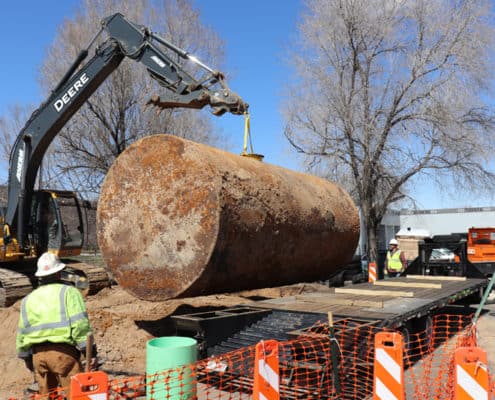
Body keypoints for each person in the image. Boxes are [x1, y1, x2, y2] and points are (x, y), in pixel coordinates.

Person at [16, 252, 96, 397]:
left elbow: (22, 332)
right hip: (63, 354)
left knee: (47, 395)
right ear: (59, 272)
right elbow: (80, 324)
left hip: (38, 357)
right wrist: (90, 350)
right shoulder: (69, 292)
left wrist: (26, 357)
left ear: (40, 276)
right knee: (76, 395)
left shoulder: (27, 299)